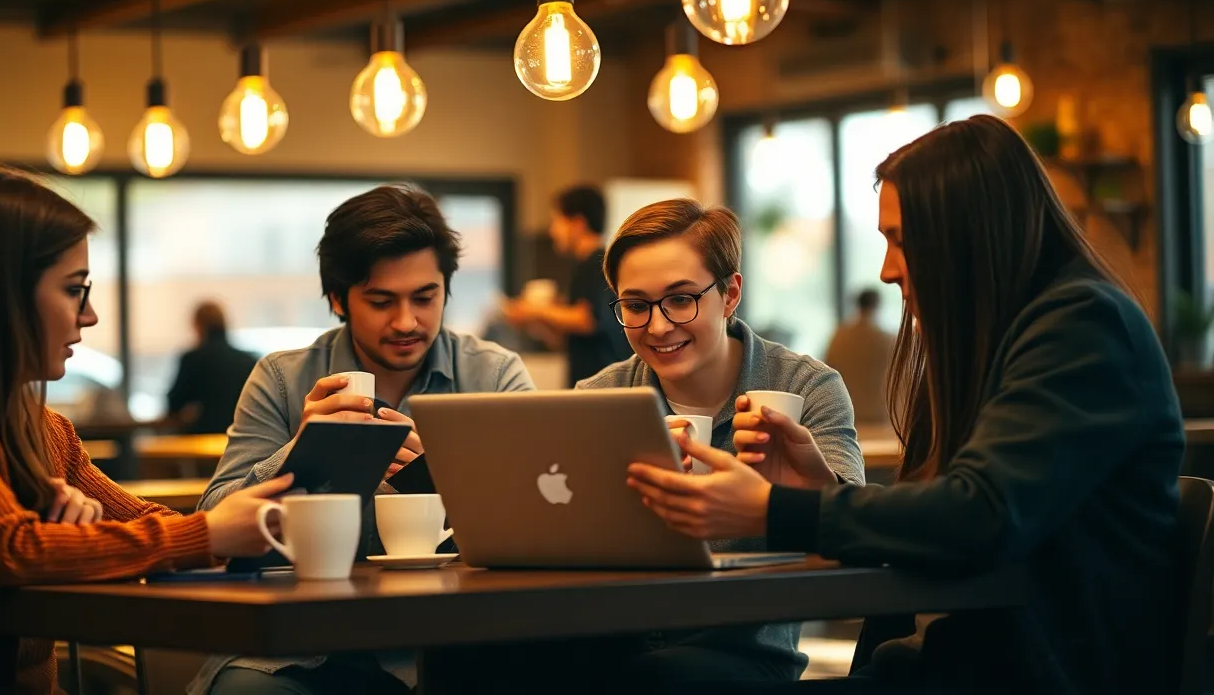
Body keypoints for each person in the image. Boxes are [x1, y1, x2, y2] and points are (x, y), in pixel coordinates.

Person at [626, 116, 1184, 693]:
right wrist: (822, 494)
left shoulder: (1082, 328)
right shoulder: (1006, 337)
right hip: (955, 665)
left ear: (969, 233)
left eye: (900, 240)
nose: (887, 269)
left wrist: (772, 509)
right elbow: (953, 509)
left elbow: (981, 516)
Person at [0, 167, 295, 695]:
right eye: (75, 290)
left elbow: (147, 520)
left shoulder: (45, 430)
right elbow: (11, 549)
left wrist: (264, 494)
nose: (89, 316)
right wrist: (206, 533)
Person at [425, 199, 865, 693]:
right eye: (636, 306)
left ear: (731, 292)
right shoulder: (599, 397)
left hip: (738, 653)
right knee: (458, 657)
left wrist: (791, 495)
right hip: (606, 639)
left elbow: (854, 536)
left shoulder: (805, 387)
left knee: (654, 678)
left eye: (681, 300)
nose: (657, 326)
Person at [194, 184, 535, 695]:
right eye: (381, 301)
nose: (406, 322)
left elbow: (538, 521)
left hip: (456, 640)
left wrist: (441, 475)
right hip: (308, 644)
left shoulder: (493, 374)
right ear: (338, 299)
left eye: (425, 297)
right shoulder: (283, 379)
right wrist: (304, 452)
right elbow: (215, 523)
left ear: (447, 288)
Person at [501, 185, 628, 384]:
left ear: (577, 223)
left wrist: (536, 310)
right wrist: (533, 320)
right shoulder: (583, 265)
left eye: (556, 221)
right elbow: (567, 338)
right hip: (590, 380)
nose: (552, 231)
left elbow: (588, 319)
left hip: (604, 383)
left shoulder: (598, 262)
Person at [165, 300, 258, 434]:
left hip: (203, 435)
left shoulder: (193, 358)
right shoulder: (248, 360)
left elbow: (174, 403)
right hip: (241, 435)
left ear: (198, 326)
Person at [823, 289, 895, 424]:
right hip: (880, 417)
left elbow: (826, 371)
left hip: (847, 416)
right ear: (878, 305)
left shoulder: (839, 337)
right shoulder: (888, 340)